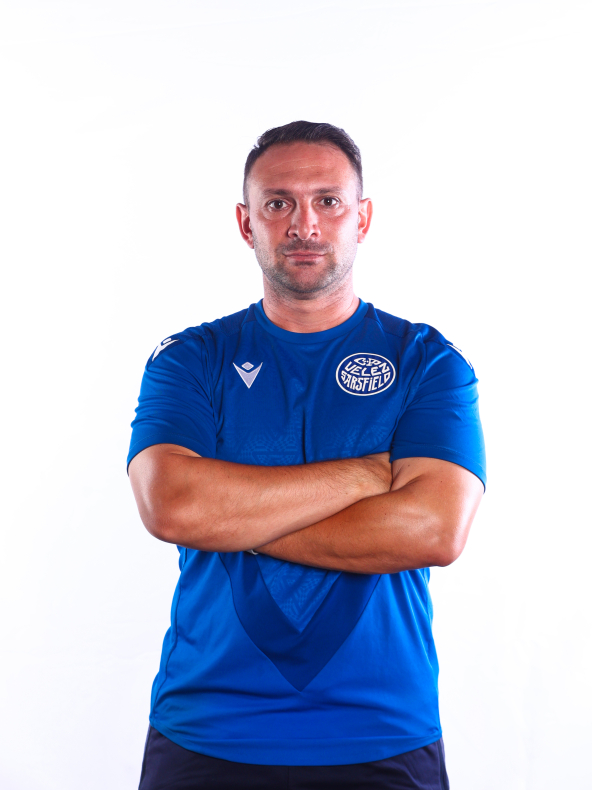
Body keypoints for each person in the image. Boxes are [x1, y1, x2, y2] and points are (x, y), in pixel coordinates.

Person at [128, 120, 486, 790]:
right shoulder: (190, 360)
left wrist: (229, 516)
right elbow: (173, 507)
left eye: (328, 201)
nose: (304, 224)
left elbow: (433, 530)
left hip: (381, 731)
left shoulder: (427, 362)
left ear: (362, 218)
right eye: (278, 203)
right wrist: (369, 475)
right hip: (208, 728)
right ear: (246, 223)